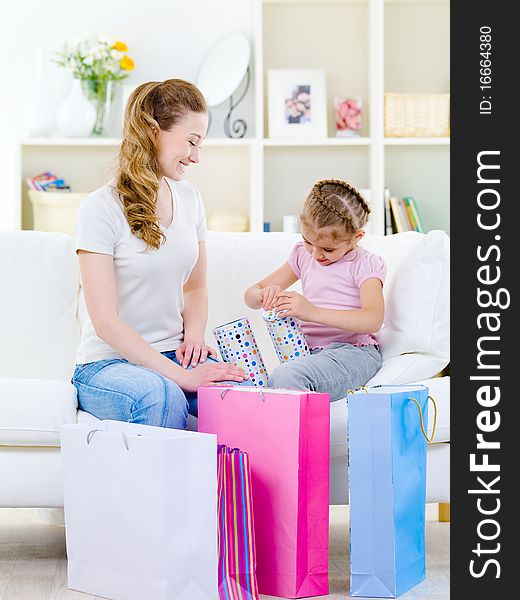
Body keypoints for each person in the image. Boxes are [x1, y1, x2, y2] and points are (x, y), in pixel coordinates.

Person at [72, 79, 248, 430]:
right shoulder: (99, 209)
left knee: (243, 395)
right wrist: (181, 377)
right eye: (191, 142)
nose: (196, 156)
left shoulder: (189, 198)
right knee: (161, 394)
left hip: (173, 355)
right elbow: (105, 322)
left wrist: (195, 337)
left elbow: (195, 287)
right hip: (108, 366)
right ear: (153, 131)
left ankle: (224, 488)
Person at [244, 179, 386, 401]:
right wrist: (263, 294)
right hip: (310, 353)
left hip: (354, 352)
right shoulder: (302, 255)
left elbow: (373, 319)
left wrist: (310, 312)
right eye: (308, 241)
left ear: (356, 238)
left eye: (328, 248)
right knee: (251, 381)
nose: (316, 254)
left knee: (287, 377)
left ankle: (293, 437)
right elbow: (251, 295)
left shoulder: (364, 264)